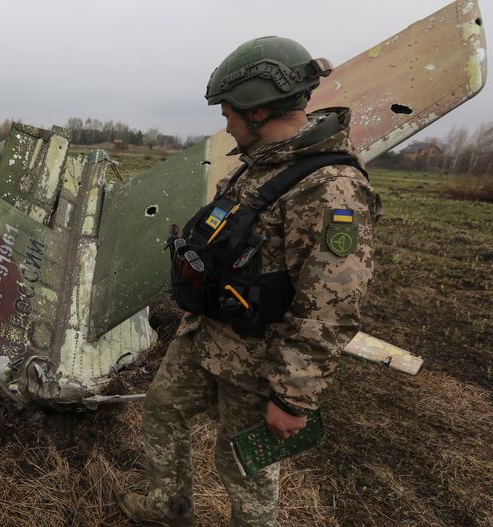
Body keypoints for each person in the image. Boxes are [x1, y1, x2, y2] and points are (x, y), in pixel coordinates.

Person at [120, 36, 380, 526]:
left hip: (260, 362)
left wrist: (292, 397)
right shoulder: (259, 166)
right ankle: (168, 508)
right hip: (206, 337)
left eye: (228, 113)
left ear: (258, 112)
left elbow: (331, 307)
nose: (225, 122)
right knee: (162, 409)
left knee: (244, 469)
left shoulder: (330, 189)